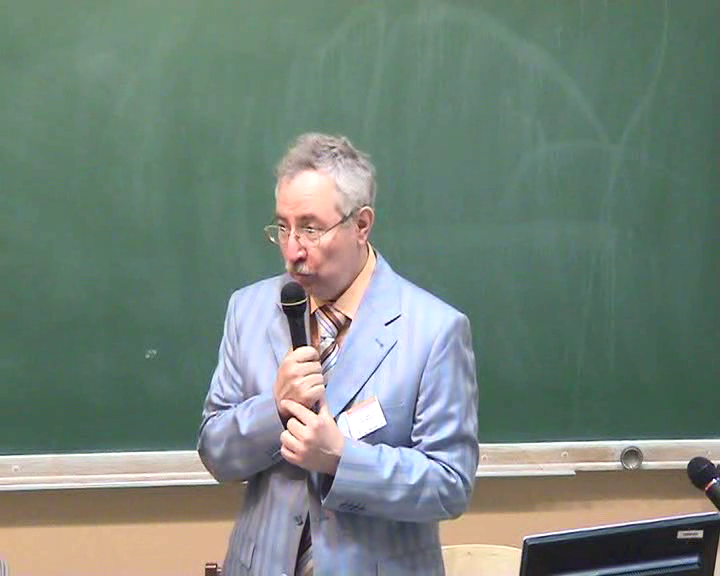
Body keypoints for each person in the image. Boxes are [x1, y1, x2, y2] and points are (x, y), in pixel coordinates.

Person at [197, 133, 479, 576]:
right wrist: (275, 409)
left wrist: (341, 459)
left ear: (361, 225)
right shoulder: (248, 310)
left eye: (310, 229)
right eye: (283, 228)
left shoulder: (434, 330)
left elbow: (449, 485)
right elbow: (216, 453)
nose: (293, 251)